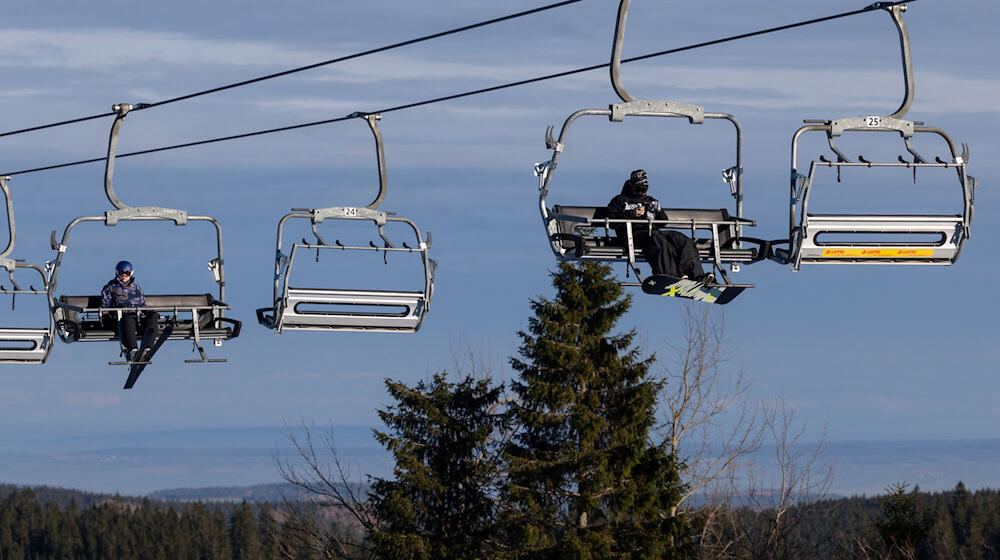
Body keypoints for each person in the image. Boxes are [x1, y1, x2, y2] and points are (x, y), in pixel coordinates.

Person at [607, 169, 713, 282]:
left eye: (644, 189)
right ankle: (671, 274)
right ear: (631, 186)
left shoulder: (650, 200)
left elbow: (663, 222)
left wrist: (656, 210)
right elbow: (611, 221)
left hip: (653, 232)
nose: (641, 192)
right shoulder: (620, 200)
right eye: (638, 189)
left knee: (681, 239)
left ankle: (696, 276)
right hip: (632, 235)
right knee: (657, 239)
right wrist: (632, 214)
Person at [100, 260, 159, 361]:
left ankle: (147, 348)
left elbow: (143, 305)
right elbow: (105, 306)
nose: (124, 276)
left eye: (127, 273)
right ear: (117, 273)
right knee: (128, 318)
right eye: (121, 273)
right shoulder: (110, 288)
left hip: (137, 318)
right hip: (121, 319)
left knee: (153, 317)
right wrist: (108, 316)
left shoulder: (136, 288)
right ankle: (133, 350)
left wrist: (150, 312)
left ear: (131, 274)